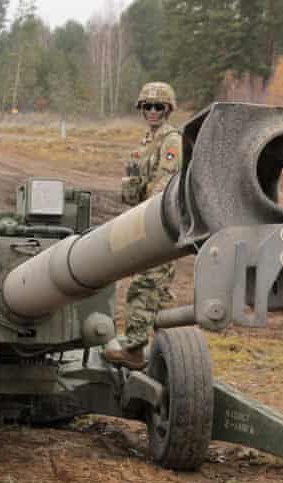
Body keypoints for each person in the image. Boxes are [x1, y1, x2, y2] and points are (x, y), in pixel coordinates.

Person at [104, 82, 182, 370]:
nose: (152, 111)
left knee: (145, 283)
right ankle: (170, 351)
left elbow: (165, 183)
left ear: (168, 109)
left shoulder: (171, 140)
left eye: (158, 107)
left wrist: (149, 223)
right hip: (146, 219)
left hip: (157, 223)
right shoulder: (147, 140)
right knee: (159, 293)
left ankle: (135, 347)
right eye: (146, 106)